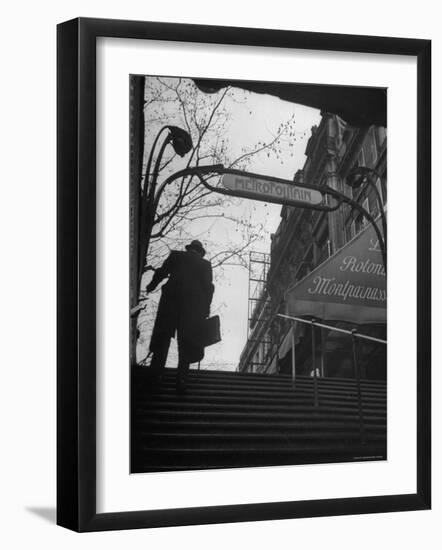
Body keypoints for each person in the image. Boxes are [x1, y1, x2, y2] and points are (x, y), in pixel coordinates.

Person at [145, 240, 214, 393]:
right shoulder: (205, 265)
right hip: (192, 309)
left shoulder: (176, 256)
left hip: (170, 302)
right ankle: (181, 379)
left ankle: (155, 376)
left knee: (163, 337)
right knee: (186, 342)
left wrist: (151, 286)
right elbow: (208, 289)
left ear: (190, 249)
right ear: (200, 252)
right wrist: (206, 309)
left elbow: (161, 272)